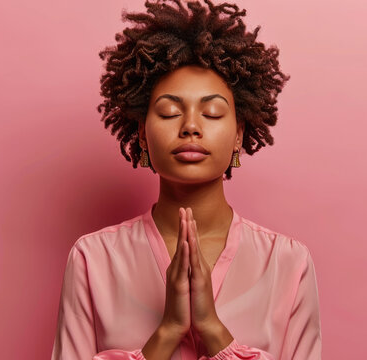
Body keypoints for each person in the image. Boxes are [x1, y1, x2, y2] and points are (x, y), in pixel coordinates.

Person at [51, 1, 322, 359]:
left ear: (239, 134)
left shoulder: (288, 263)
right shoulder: (93, 260)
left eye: (211, 112)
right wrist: (166, 334)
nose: (190, 126)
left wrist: (213, 331)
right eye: (169, 112)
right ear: (143, 134)